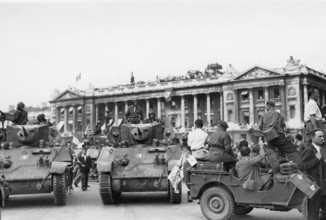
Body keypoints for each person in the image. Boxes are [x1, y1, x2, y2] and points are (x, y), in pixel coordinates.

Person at [258, 99, 301, 164]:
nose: (265, 107)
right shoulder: (280, 115)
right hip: (279, 136)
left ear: (268, 106)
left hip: (269, 139)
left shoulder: (263, 115)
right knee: (291, 150)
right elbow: (284, 127)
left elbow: (259, 129)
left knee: (274, 155)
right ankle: (302, 164)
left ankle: (277, 169)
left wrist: (265, 133)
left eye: (266, 106)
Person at [300, 129, 326, 220]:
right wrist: (316, 160)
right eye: (319, 136)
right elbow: (302, 166)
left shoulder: (319, 149)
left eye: (323, 136)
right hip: (314, 185)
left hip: (322, 185)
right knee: (313, 212)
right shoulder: (309, 150)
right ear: (312, 138)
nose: (322, 138)